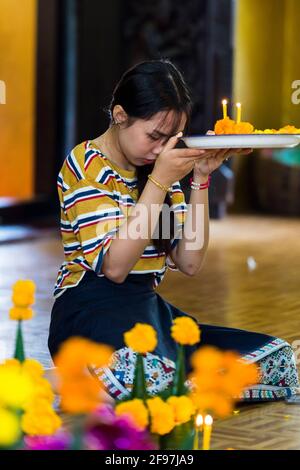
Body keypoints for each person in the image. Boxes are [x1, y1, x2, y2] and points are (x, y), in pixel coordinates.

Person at [48, 59, 299, 401]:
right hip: (90, 311)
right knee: (152, 373)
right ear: (120, 116)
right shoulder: (86, 165)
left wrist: (201, 178)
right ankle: (111, 379)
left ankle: (166, 385)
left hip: (148, 312)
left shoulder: (158, 168)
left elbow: (190, 261)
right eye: (154, 136)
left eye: (170, 139)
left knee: (277, 358)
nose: (160, 149)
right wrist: (159, 180)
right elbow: (115, 268)